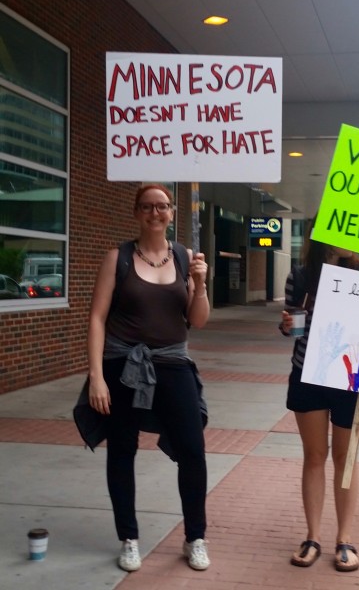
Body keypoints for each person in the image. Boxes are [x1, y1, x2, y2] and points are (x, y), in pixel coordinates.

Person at [87, 183, 211, 573]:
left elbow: (199, 320)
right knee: (122, 451)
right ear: (136, 213)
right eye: (147, 206)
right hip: (123, 366)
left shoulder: (184, 256)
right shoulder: (117, 258)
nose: (155, 213)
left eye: (162, 206)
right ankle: (129, 538)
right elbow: (96, 318)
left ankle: (196, 537)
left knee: (192, 450)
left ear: (172, 212)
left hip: (174, 365)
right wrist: (96, 377)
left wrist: (201, 283)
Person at [279, 227, 359, 572]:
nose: (344, 235)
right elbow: (294, 328)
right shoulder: (300, 276)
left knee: (346, 459)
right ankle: (312, 537)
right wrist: (288, 325)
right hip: (310, 373)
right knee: (315, 455)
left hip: (354, 376)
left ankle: (344, 539)